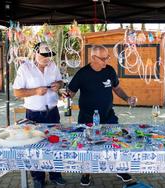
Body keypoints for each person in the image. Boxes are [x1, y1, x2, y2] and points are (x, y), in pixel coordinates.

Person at [65, 45, 137, 186]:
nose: (106, 61)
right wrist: (65, 94)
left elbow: (117, 88)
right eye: (103, 58)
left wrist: (127, 99)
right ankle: (86, 172)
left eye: (107, 57)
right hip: (87, 118)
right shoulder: (82, 73)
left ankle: (119, 169)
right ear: (93, 58)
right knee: (87, 147)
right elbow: (70, 92)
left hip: (108, 116)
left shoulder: (109, 71)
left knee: (116, 143)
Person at [13, 42, 66, 188]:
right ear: (35, 53)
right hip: (33, 115)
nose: (48, 58)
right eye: (44, 55)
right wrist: (35, 91)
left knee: (55, 144)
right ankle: (38, 178)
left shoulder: (53, 66)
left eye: (49, 55)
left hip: (53, 113)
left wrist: (58, 85)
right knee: (34, 146)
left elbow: (60, 81)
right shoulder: (25, 68)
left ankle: (56, 175)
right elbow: (17, 92)